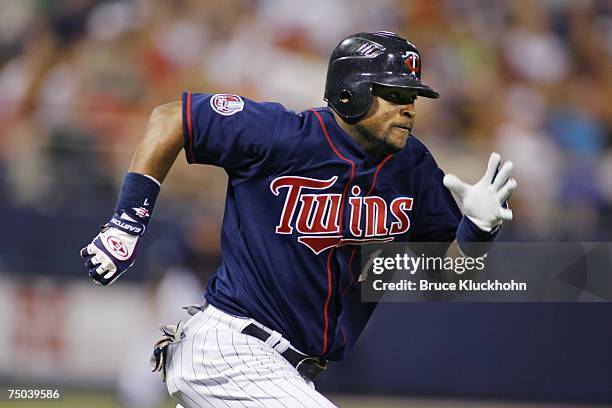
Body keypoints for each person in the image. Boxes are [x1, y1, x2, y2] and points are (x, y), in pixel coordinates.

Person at [80, 31, 516, 408]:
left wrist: (477, 231)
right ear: (351, 91)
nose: (410, 108)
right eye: (395, 94)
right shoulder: (284, 135)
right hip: (232, 348)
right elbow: (171, 118)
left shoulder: (413, 167)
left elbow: (445, 282)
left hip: (288, 371)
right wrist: (126, 223)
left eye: (413, 98)